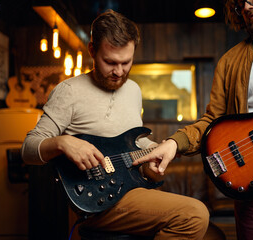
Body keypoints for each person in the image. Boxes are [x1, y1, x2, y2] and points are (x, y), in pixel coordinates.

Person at [134, 0, 253, 239]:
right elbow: (213, 120)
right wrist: (174, 143)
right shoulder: (232, 60)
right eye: (239, 4)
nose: (246, 6)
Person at [21, 9, 210, 240]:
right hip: (94, 199)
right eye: (109, 62)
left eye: (126, 62)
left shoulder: (134, 90)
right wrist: (63, 143)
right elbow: (28, 149)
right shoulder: (68, 91)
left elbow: (134, 142)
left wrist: (153, 157)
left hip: (128, 190)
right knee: (195, 215)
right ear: (92, 50)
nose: (118, 72)